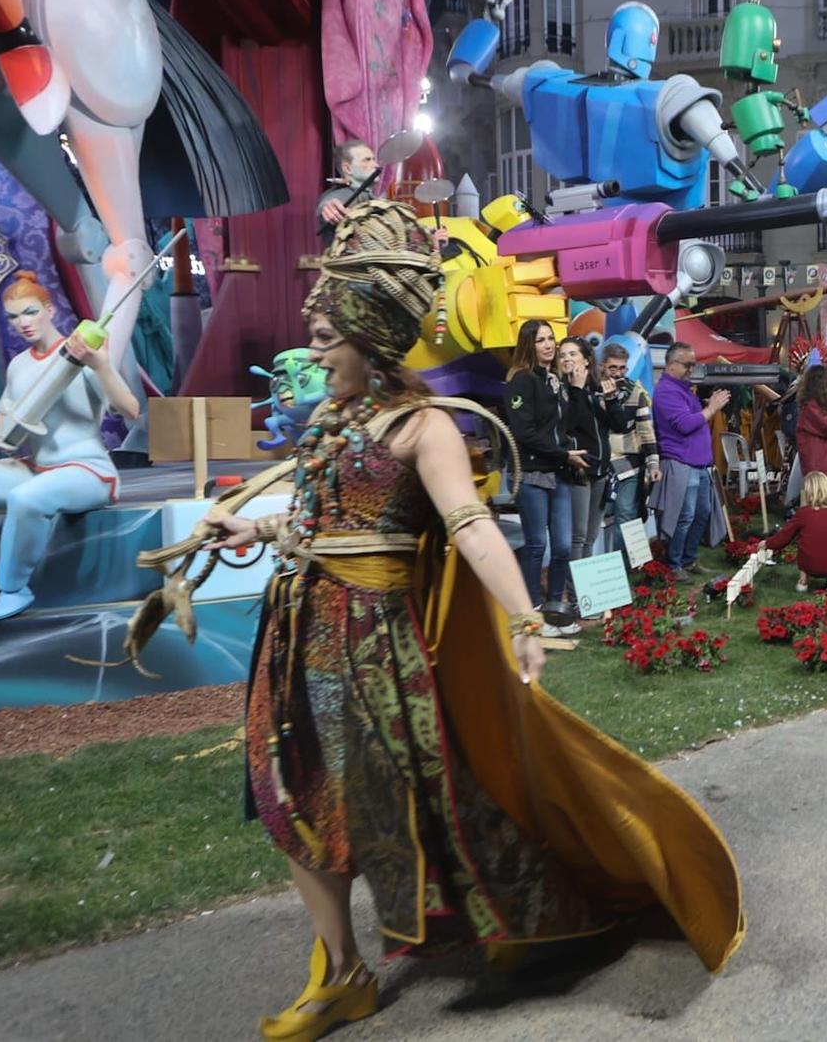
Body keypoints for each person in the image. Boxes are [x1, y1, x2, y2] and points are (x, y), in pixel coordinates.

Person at [188, 201, 743, 1037]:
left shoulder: (423, 427)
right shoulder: (337, 424)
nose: (314, 352)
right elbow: (323, 517)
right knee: (292, 792)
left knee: (430, 798)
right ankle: (341, 969)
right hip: (299, 634)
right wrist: (253, 527)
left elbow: (473, 527)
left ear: (372, 339)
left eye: (329, 339)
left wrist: (525, 617)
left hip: (374, 649)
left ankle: (520, 915)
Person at [0, 271, 141, 648]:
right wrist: (8, 432)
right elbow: (9, 423)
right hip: (34, 467)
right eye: (13, 317)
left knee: (28, 498)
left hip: (86, 471)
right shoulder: (19, 366)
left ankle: (13, 588)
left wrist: (101, 364)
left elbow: (131, 410)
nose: (23, 323)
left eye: (30, 312)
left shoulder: (83, 354)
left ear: (49, 309)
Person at [500, 321, 582, 636]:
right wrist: (563, 455)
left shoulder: (553, 381)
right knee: (537, 545)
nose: (549, 345)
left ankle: (556, 612)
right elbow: (525, 433)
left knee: (562, 546)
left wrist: (574, 389)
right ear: (528, 345)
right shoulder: (521, 380)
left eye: (551, 339)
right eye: (541, 340)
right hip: (532, 473)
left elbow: (566, 427)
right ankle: (533, 614)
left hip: (558, 471)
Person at [651, 341, 730, 579]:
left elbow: (692, 418)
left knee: (702, 514)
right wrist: (712, 408)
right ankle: (674, 565)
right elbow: (684, 425)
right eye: (688, 365)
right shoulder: (666, 391)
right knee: (683, 517)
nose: (692, 370)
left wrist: (706, 407)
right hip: (681, 463)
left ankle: (689, 558)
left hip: (699, 464)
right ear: (673, 364)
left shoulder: (683, 389)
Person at [553, 338, 617, 595]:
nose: (567, 359)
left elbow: (618, 424)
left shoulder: (593, 391)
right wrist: (577, 389)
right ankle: (576, 593)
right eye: (563, 355)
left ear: (586, 360)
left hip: (600, 470)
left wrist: (611, 400)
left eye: (572, 354)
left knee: (591, 536)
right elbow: (569, 424)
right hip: (578, 472)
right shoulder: (562, 391)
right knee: (577, 537)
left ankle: (588, 593)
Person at [599, 341, 659, 551]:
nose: (617, 373)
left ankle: (622, 570)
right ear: (602, 367)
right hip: (598, 463)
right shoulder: (591, 392)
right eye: (612, 368)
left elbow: (646, 430)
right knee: (602, 519)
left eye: (621, 367)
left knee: (625, 514)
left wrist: (653, 464)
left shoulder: (636, 392)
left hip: (628, 464)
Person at [761, 473, 827, 591]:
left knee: (805, 545)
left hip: (810, 565)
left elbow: (784, 537)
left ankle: (804, 579)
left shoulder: (803, 513)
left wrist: (766, 544)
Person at [317, 141, 378, 245]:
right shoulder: (340, 194)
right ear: (348, 169)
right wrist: (327, 207)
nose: (376, 165)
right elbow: (329, 202)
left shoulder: (369, 195)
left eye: (373, 159)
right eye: (367, 160)